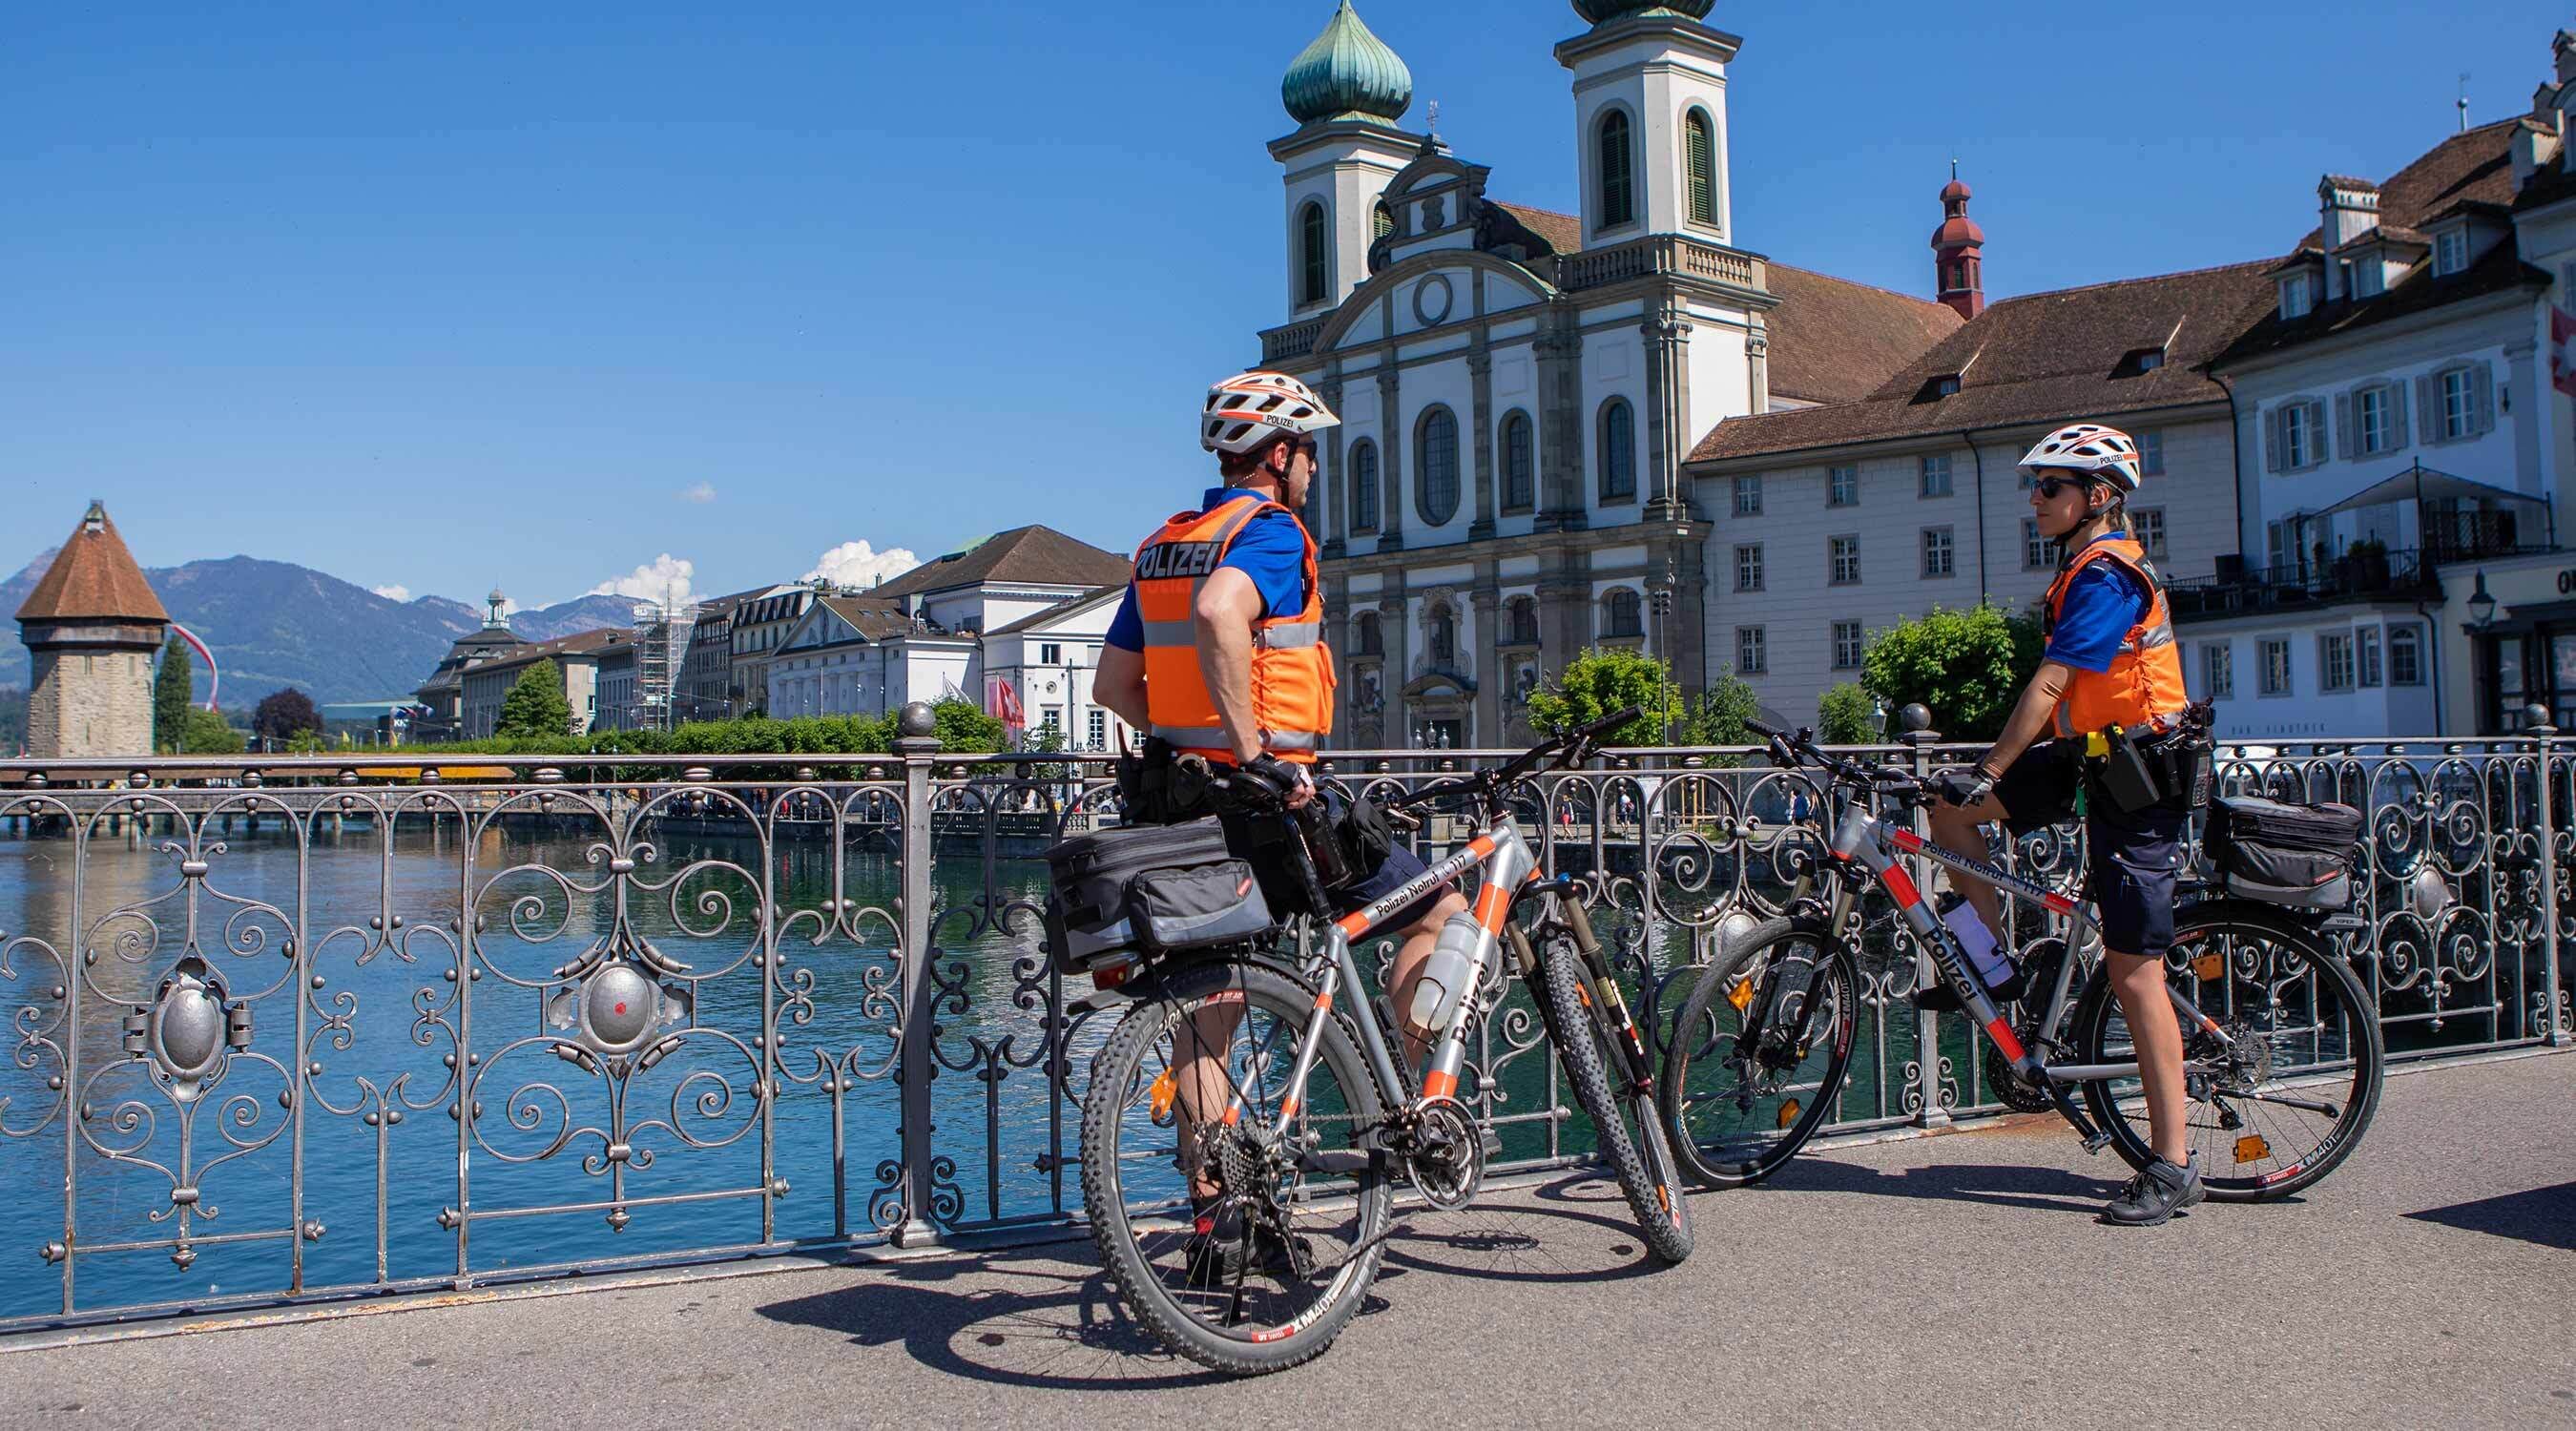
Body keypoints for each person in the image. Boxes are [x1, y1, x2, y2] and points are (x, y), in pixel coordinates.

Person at [1091, 370, 1471, 1261]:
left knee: (1210, 1007)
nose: (1314, 471)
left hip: (1184, 804)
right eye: (1309, 453)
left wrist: (1201, 738)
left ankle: (1221, 1215)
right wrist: (1254, 748)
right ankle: (1420, 1085)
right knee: (1440, 907)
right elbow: (1227, 611)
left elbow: (1115, 687)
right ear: (1280, 456)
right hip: (1276, 802)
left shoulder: (1163, 547)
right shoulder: (1269, 534)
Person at [1923, 421, 2204, 1227]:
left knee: (2133, 971)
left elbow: (2051, 685)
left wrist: (1994, 769)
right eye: (2036, 486)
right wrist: (1975, 783)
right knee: (1948, 811)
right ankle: (1985, 963)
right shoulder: (2081, 566)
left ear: (2099, 498)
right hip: (2093, 760)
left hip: (2141, 778)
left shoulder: (2111, 574)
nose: (2036, 499)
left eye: (2051, 487)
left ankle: (2174, 1162)